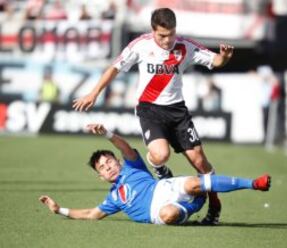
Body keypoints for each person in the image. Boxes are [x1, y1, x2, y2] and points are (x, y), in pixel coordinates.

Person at [72, 8, 234, 224]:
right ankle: (159, 168)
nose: (167, 41)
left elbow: (215, 61)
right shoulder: (140, 45)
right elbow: (114, 68)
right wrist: (94, 93)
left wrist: (224, 57)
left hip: (177, 112)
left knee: (200, 163)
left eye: (171, 34)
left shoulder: (186, 46)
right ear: (153, 30)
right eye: (162, 35)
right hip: (149, 110)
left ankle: (214, 207)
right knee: (160, 155)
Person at [39, 124, 271, 225]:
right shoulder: (113, 199)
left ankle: (254, 183)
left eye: (109, 161)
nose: (108, 166)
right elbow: (91, 214)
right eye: (102, 167)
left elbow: (124, 147)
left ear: (118, 162)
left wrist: (107, 133)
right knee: (169, 213)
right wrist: (59, 209)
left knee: (191, 183)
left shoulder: (132, 166)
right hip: (158, 213)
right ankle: (198, 202)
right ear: (101, 177)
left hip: (164, 188)